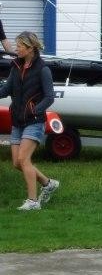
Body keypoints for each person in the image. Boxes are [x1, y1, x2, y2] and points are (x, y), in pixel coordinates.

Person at [0, 31, 59, 211]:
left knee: (24, 160)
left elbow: (49, 97)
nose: (16, 49)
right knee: (17, 163)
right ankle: (48, 183)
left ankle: (33, 202)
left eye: (19, 46)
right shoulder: (15, 67)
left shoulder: (43, 69)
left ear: (30, 48)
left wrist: (34, 110)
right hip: (17, 121)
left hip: (34, 121)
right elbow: (5, 90)